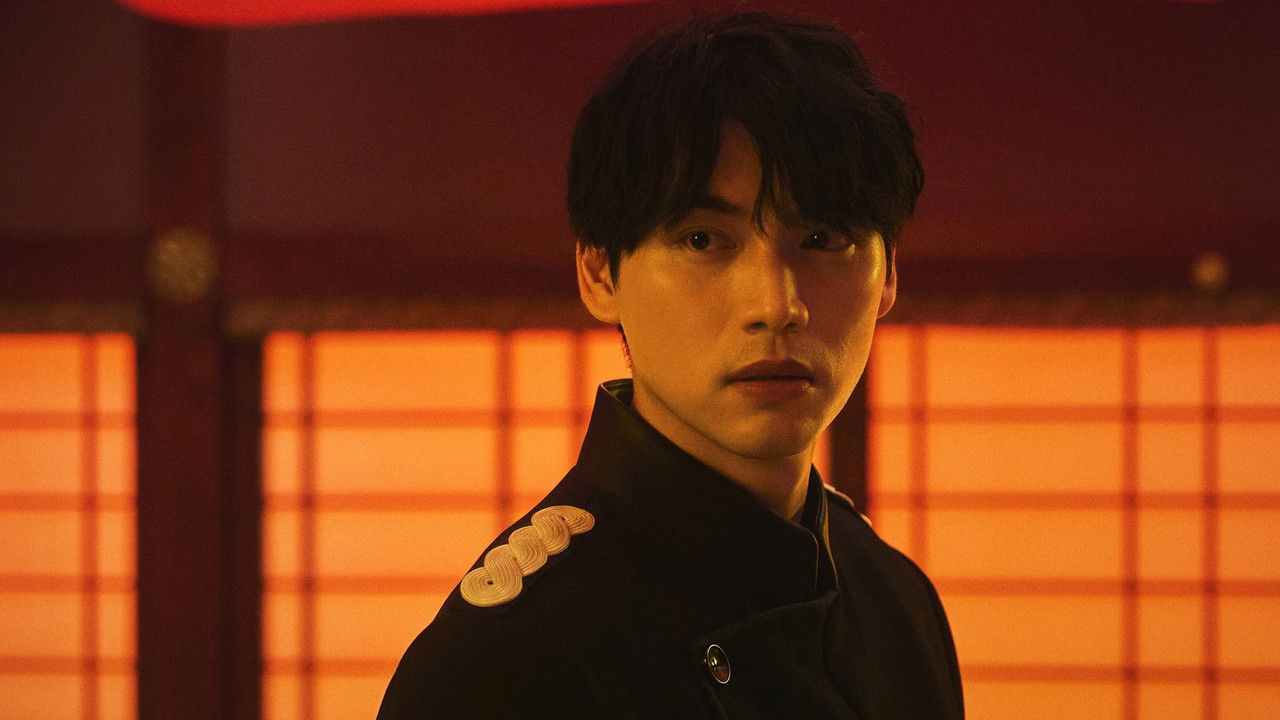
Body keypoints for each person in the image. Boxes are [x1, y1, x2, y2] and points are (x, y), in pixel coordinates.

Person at [379, 10, 963, 719]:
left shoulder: (896, 599)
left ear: (889, 271)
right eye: (702, 240)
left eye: (821, 237)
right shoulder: (509, 660)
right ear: (600, 272)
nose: (777, 305)